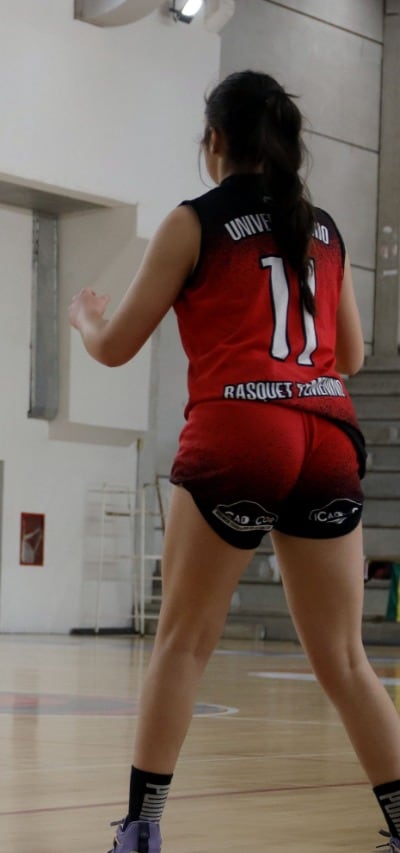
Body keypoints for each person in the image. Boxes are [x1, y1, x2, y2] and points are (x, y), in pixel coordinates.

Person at [68, 71, 400, 851]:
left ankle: (141, 829)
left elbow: (116, 349)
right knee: (346, 659)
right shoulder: (323, 227)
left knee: (183, 640)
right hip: (326, 435)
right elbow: (349, 353)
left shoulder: (195, 222)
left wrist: (88, 319)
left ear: (213, 141)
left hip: (242, 428)